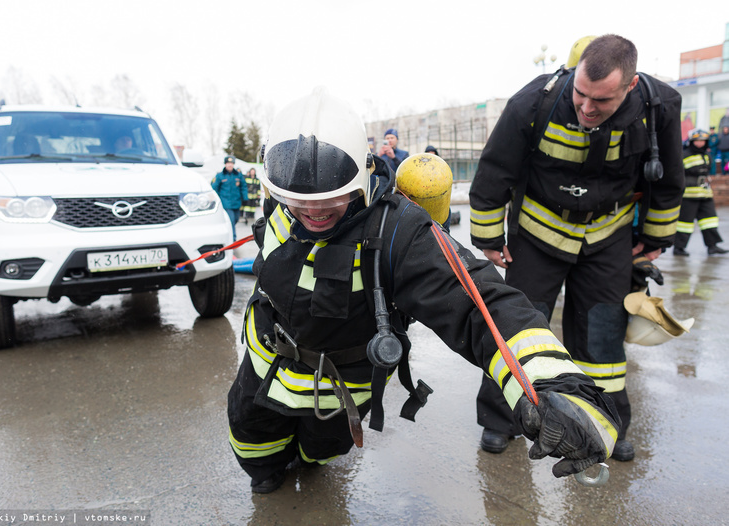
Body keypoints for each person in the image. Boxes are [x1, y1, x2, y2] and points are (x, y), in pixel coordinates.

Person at [227, 87, 620, 494]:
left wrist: (553, 383)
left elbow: (480, 304)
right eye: (297, 201)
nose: (311, 212)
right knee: (253, 443)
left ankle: (305, 466)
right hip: (261, 368)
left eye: (330, 200)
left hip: (335, 393)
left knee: (318, 456)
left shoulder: (398, 231)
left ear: (362, 173)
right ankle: (266, 472)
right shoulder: (280, 199)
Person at [469, 35, 684, 462]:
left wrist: (656, 238)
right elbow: (494, 171)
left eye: (600, 101)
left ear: (631, 86)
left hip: (608, 237)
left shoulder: (659, 107)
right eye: (580, 94)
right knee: (518, 330)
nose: (587, 108)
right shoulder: (533, 102)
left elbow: (669, 176)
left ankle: (605, 424)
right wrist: (490, 239)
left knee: (602, 338)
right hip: (538, 234)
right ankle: (500, 421)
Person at [673, 129, 728, 256]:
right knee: (684, 223)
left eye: (703, 141)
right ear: (692, 141)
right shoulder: (684, 154)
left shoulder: (707, 155)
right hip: (689, 195)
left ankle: (712, 246)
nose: (700, 143)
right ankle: (679, 248)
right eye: (697, 141)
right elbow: (677, 172)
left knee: (710, 220)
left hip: (705, 194)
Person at [211, 155, 247, 241]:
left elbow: (243, 187)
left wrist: (245, 198)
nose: (230, 165)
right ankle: (233, 239)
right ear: (225, 164)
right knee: (231, 221)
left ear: (233, 164)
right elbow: (214, 188)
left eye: (231, 163)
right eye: (228, 163)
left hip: (236, 203)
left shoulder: (238, 175)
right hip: (226, 203)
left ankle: (228, 234)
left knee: (236, 220)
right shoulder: (220, 176)